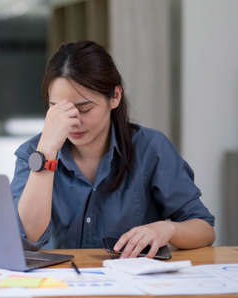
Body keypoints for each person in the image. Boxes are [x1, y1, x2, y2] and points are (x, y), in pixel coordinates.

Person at [11, 40, 215, 258]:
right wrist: (46, 154)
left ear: (115, 97)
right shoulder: (32, 153)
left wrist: (169, 229)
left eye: (84, 108)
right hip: (60, 285)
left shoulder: (150, 148)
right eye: (58, 110)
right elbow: (28, 238)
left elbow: (204, 229)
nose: (73, 121)